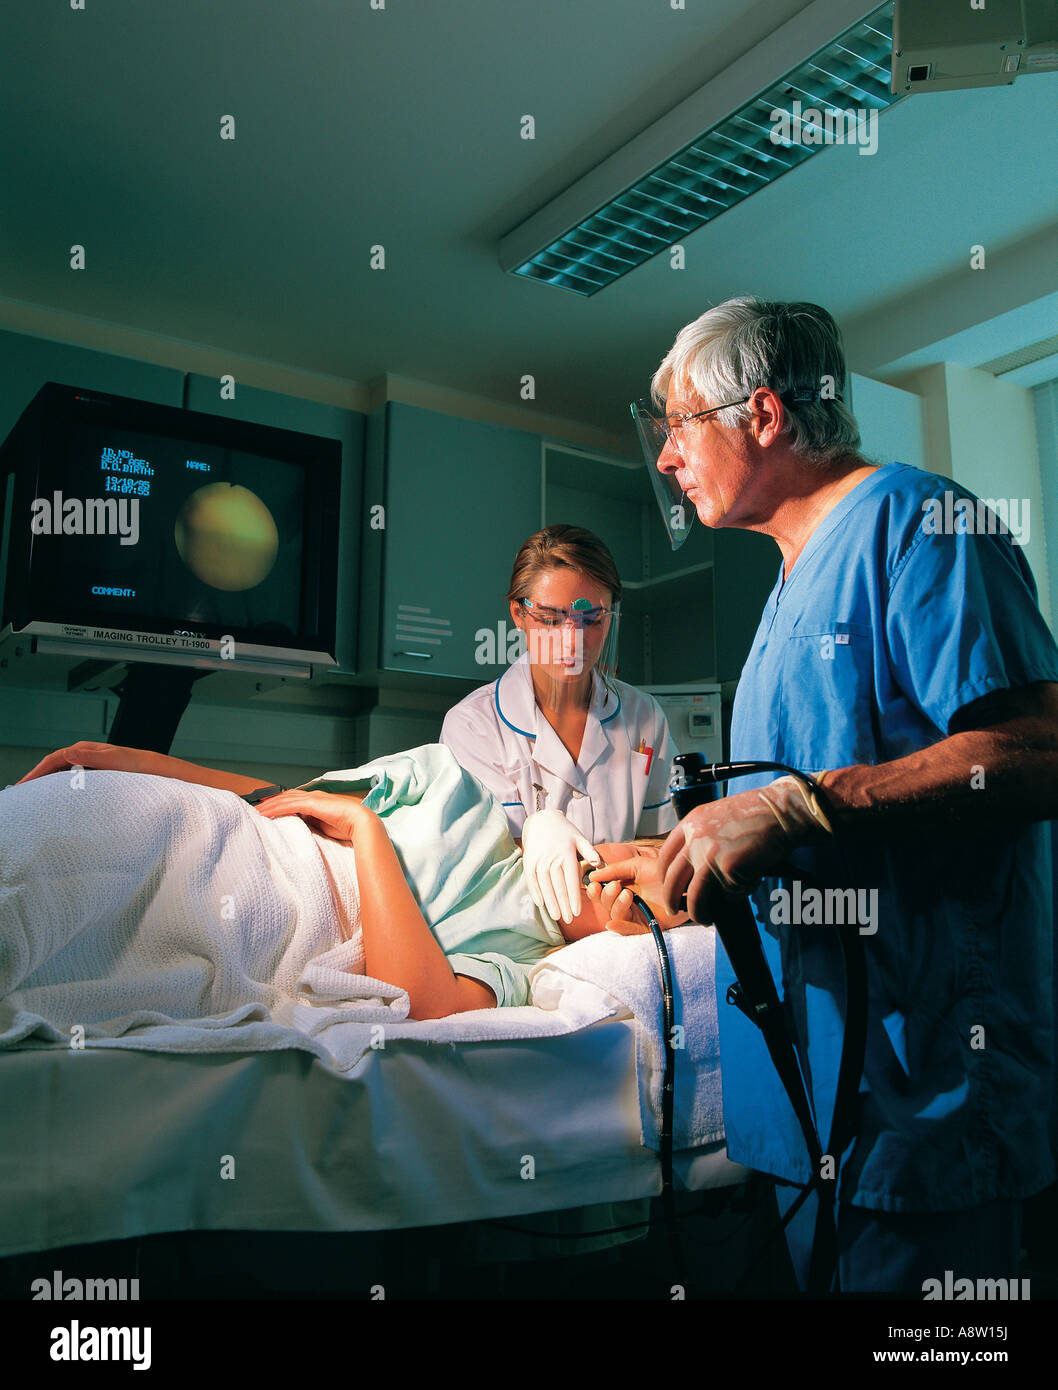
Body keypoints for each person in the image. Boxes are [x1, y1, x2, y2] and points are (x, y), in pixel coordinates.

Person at [608, 295, 1058, 1296]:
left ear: (761, 416)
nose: (669, 459)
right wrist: (694, 861)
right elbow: (799, 826)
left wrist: (800, 805)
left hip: (924, 1094)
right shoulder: (784, 589)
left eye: (678, 426)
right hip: (812, 1103)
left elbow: (1035, 748)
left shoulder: (914, 522)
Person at [8, 740, 682, 1024]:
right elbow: (281, 800)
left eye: (655, 907)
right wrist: (128, 760)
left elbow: (416, 1001)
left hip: (269, 918)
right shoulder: (454, 783)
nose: (623, 884)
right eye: (639, 860)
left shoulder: (521, 966)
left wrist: (369, 833)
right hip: (226, 836)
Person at [440, 524, 678, 929]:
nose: (574, 640)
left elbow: (666, 851)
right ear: (519, 613)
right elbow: (489, 874)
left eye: (592, 619)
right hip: (521, 939)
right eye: (551, 619)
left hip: (625, 933)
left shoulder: (645, 718)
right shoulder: (473, 725)